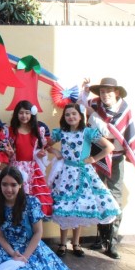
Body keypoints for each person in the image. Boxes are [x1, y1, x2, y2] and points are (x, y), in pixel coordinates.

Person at [47, 103, 120, 257]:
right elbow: (45, 144)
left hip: (83, 174)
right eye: (67, 114)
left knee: (80, 207)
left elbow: (109, 147)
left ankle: (76, 243)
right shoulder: (61, 132)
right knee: (65, 208)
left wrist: (93, 159)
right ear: (64, 117)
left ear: (80, 116)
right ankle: (62, 243)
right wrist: (55, 151)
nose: (71, 117)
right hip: (66, 175)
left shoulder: (87, 132)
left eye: (74, 114)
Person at [79, 77, 135, 259]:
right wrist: (85, 92)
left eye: (108, 91)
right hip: (98, 156)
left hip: (116, 157)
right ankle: (102, 237)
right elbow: (80, 107)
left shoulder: (123, 109)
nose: (105, 95)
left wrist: (93, 115)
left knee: (114, 197)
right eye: (102, 91)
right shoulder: (96, 104)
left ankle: (112, 241)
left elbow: (108, 132)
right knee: (99, 194)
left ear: (117, 92)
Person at [8, 100, 54, 217]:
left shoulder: (37, 131)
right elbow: (8, 151)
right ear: (16, 114)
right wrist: (9, 153)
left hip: (32, 168)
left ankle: (32, 223)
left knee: (33, 197)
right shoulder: (11, 131)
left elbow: (40, 149)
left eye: (27, 113)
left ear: (32, 114)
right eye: (21, 113)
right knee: (17, 196)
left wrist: (40, 154)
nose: (24, 116)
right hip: (16, 168)